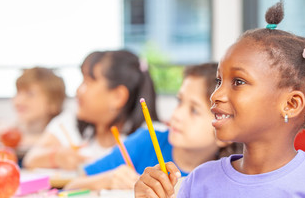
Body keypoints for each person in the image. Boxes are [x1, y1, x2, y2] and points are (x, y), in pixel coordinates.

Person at [134, 1, 305, 198]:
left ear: (291, 104)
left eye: (239, 82)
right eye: (218, 81)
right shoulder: (198, 183)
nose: (216, 95)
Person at [63, 63, 242, 190]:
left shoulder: (229, 173)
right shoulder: (146, 141)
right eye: (179, 102)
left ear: (226, 134)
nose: (176, 115)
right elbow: (71, 187)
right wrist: (108, 179)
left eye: (194, 110)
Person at [22, 50, 159, 170]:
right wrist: (56, 157)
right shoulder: (70, 123)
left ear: (118, 96)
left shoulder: (150, 136)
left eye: (87, 82)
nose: (78, 91)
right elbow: (30, 159)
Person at [0, 67, 66, 147]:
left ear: (53, 104)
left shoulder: (62, 127)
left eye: (30, 94)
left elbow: (56, 141)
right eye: (18, 93)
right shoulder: (12, 126)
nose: (18, 101)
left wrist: (17, 140)